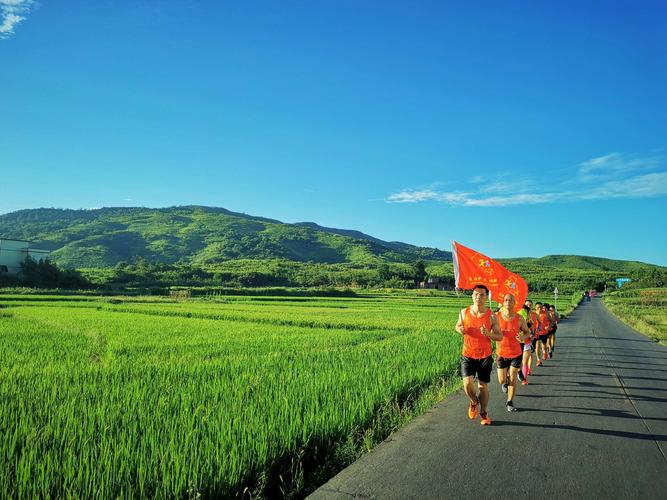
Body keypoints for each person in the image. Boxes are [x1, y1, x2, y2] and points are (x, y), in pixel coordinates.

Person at [455, 284, 503, 425]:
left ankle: (484, 412)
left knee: (483, 386)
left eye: (482, 294)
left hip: (485, 356)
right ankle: (473, 401)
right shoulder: (464, 312)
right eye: (476, 294)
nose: (478, 297)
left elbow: (499, 336)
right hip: (468, 354)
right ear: (472, 296)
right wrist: (460, 329)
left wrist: (488, 334)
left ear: (486, 296)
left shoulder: (492, 316)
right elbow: (457, 326)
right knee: (467, 384)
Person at [495, 294, 531, 411]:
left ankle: (509, 402)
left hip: (516, 353)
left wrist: (523, 338)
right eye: (506, 300)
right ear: (503, 302)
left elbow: (527, 332)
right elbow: (490, 330)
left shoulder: (520, 318)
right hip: (501, 352)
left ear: (514, 303)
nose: (508, 302)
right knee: (502, 380)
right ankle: (504, 382)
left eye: (510, 300)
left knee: (513, 378)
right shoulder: (496, 316)